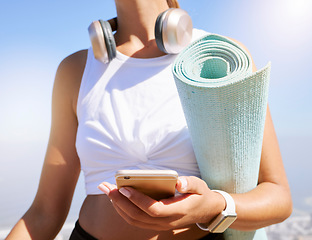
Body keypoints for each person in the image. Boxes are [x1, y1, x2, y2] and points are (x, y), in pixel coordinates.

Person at [6, 0, 292, 239]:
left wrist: (214, 207)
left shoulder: (222, 58)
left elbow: (278, 197)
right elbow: (44, 213)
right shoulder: (75, 70)